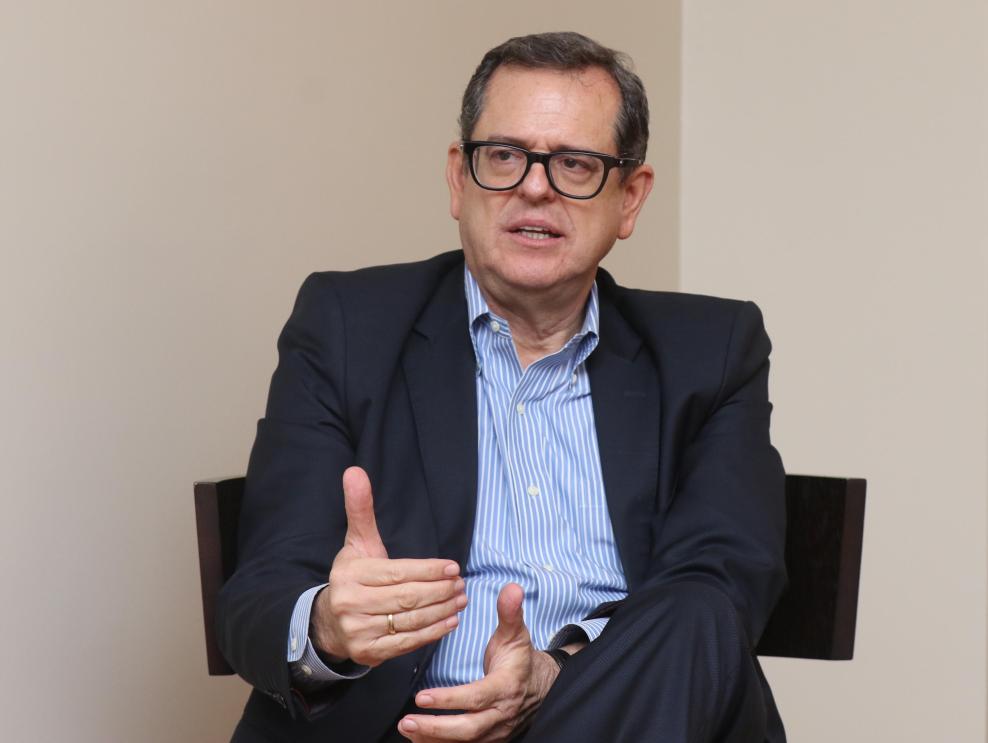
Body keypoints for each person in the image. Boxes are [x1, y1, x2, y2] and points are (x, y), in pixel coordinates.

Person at [217, 31, 787, 743]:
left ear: (630, 199)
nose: (535, 186)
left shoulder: (711, 351)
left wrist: (560, 671)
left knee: (698, 610)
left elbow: (724, 582)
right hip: (407, 729)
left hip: (628, 716)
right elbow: (258, 596)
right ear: (460, 180)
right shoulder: (345, 329)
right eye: (505, 155)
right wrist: (328, 625)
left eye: (575, 163)